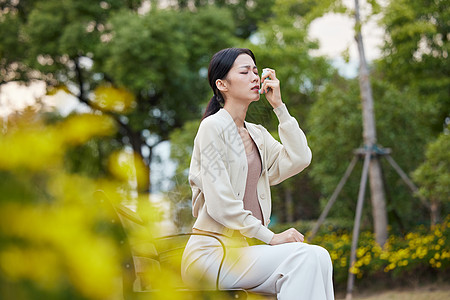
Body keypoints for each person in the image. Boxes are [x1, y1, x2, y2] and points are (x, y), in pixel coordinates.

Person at [181, 47, 334, 299]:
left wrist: (280, 107)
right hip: (210, 254)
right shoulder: (212, 128)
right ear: (222, 84)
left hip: (238, 254)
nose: (255, 77)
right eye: (245, 71)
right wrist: (271, 237)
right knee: (304, 257)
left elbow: (300, 158)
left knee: (319, 256)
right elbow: (221, 206)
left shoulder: (257, 134)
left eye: (255, 70)